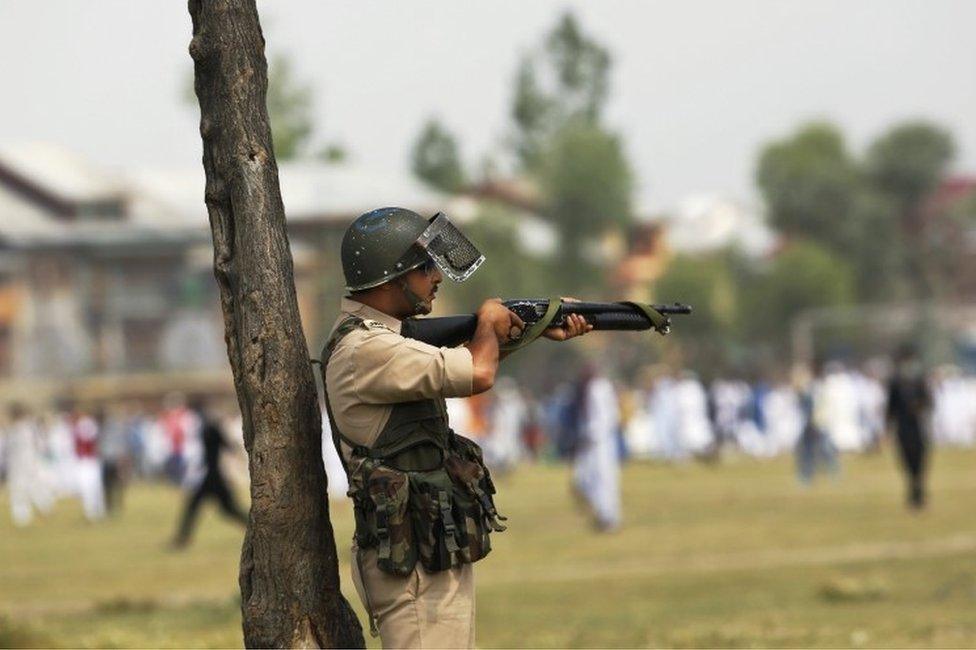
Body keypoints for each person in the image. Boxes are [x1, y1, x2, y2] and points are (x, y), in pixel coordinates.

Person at [321, 207, 590, 648]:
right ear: (391, 279)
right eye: (426, 268)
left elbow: (463, 362)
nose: (437, 277)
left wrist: (536, 327)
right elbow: (477, 374)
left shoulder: (380, 339)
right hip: (413, 559)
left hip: (425, 546)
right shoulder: (368, 348)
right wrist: (488, 320)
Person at [171, 399, 248, 547]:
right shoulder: (211, 427)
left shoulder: (206, 429)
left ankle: (182, 539)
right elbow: (229, 446)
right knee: (227, 509)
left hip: (211, 477)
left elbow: (226, 447)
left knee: (224, 509)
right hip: (212, 476)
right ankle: (182, 539)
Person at [886, 344, 932, 510]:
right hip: (903, 428)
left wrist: (918, 408)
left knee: (920, 462)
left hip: (918, 428)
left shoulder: (920, 382)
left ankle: (919, 495)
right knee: (906, 462)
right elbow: (890, 408)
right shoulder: (895, 383)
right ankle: (913, 495)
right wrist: (886, 430)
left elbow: (928, 402)